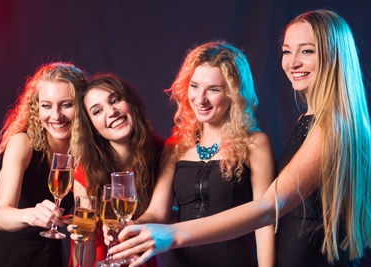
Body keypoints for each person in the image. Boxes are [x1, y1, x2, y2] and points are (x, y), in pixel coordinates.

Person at [107, 10, 371, 267]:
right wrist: (139, 227)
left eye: (307, 51)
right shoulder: (310, 121)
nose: (292, 62)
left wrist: (172, 234)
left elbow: (269, 209)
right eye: (287, 51)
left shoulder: (333, 125)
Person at [105, 41, 276, 267]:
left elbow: (265, 220)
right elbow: (157, 214)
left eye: (213, 89)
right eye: (194, 86)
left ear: (234, 93)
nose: (200, 98)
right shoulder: (175, 146)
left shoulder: (256, 143)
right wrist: (131, 226)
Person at [0, 62, 87, 267]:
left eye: (67, 104)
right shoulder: (22, 143)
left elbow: (84, 228)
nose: (56, 115)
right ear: (35, 107)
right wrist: (30, 215)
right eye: (47, 105)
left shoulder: (84, 154)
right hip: (3, 256)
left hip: (47, 257)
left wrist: (81, 228)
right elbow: (1, 216)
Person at [68, 73, 164, 267]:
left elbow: (164, 213)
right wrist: (81, 237)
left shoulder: (161, 152)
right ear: (92, 127)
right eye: (97, 111)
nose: (111, 112)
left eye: (115, 100)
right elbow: (82, 256)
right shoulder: (85, 168)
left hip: (140, 260)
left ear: (131, 103)